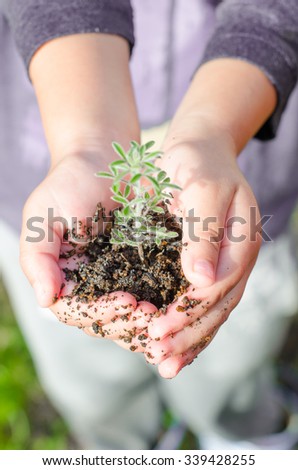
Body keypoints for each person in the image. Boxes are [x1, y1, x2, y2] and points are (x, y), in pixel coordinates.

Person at [0, 0, 298, 449]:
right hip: (50, 123)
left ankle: (238, 435)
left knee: (234, 361)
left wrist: (211, 132)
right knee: (90, 383)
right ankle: (119, 446)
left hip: (234, 167)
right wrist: (84, 146)